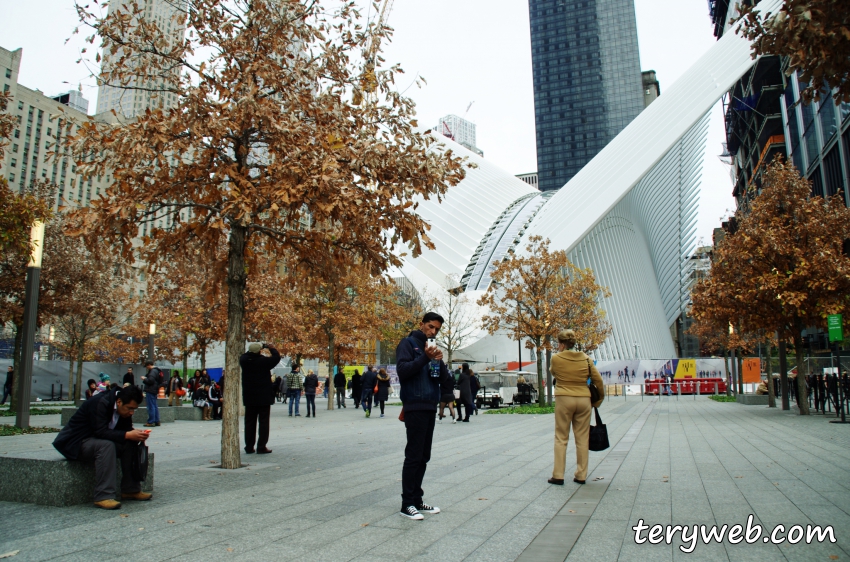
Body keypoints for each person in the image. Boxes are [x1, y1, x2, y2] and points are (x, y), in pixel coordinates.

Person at [52, 385, 151, 509]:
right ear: (119, 402)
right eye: (129, 408)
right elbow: (99, 431)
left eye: (134, 409)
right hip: (76, 442)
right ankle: (103, 495)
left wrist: (137, 434)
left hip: (97, 439)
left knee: (130, 442)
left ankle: (130, 489)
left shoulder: (123, 408)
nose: (131, 412)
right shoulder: (99, 402)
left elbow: (125, 430)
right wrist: (127, 434)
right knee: (106, 446)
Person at [396, 312, 449, 520]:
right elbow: (403, 371)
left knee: (424, 456)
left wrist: (438, 361)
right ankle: (406, 503)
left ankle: (417, 499)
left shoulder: (431, 348)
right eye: (430, 326)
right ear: (422, 325)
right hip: (415, 405)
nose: (433, 331)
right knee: (414, 456)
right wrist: (424, 357)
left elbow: (443, 380)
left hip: (429, 406)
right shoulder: (408, 344)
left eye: (436, 329)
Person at [548, 329, 604, 486]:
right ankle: (581, 475)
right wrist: (598, 400)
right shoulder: (586, 359)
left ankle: (558, 475)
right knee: (582, 438)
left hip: (564, 398)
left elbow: (554, 372)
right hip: (584, 399)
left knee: (561, 437)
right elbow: (598, 380)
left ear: (561, 344)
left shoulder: (556, 358)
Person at [240, 342, 280, 454]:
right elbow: (276, 358)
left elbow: (245, 355)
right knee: (263, 422)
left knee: (249, 422)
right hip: (263, 396)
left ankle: (249, 446)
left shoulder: (243, 360)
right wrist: (271, 348)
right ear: (259, 351)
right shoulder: (263, 362)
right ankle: (261, 446)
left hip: (249, 396)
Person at [142, 362, 163, 427]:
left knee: (151, 406)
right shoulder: (157, 370)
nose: (146, 368)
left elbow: (150, 381)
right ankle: (157, 420)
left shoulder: (152, 371)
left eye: (146, 366)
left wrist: (144, 378)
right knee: (154, 405)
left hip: (150, 389)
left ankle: (151, 421)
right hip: (154, 389)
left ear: (149, 365)